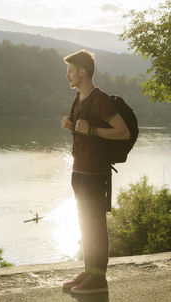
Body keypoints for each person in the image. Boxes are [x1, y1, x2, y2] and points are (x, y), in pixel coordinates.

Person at [61, 50, 130, 295]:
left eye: (71, 70)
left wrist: (92, 131)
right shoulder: (79, 98)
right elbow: (83, 130)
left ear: (83, 72)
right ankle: (90, 271)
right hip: (79, 170)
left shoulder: (100, 99)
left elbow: (123, 132)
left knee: (95, 224)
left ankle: (99, 278)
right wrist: (72, 126)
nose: (67, 74)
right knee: (83, 222)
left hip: (95, 172)